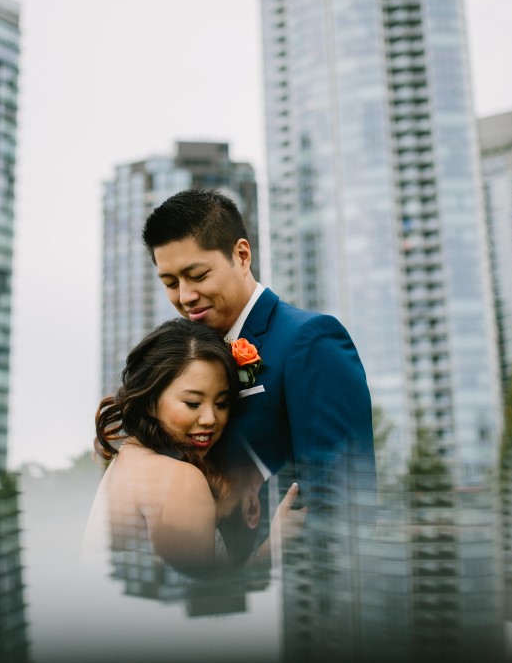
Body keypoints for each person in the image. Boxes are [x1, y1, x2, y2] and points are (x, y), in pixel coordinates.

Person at [141, 189, 377, 527]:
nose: (185, 296)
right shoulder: (183, 357)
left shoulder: (311, 340)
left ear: (241, 255)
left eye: (198, 275)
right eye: (170, 282)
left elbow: (343, 499)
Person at [86, 318, 301, 571]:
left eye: (221, 404)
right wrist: (275, 546)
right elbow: (205, 604)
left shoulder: (126, 458)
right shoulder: (179, 478)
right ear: (150, 398)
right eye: (192, 403)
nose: (210, 419)